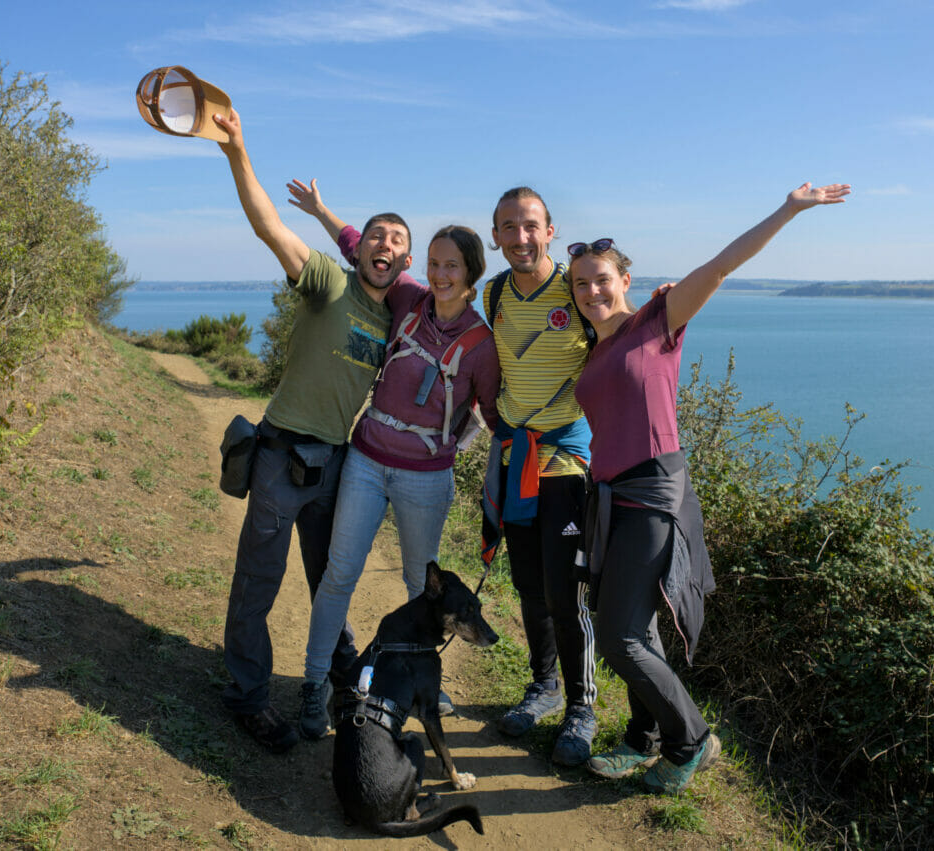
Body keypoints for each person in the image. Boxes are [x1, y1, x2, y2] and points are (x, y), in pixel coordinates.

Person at [570, 181, 850, 793]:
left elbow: (722, 265)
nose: (592, 291)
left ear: (625, 280)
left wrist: (789, 210)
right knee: (633, 630)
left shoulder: (658, 321)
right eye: (581, 284)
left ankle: (693, 739)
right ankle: (643, 740)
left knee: (619, 636)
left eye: (601, 279)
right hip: (610, 497)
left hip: (652, 492)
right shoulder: (590, 352)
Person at [212, 109, 420, 752]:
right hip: (279, 457)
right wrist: (237, 150)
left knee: (332, 579)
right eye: (376, 237)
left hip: (336, 464)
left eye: (396, 242)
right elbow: (268, 224)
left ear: (404, 260)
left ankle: (339, 678)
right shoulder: (327, 282)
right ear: (360, 250)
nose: (384, 247)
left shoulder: (398, 316)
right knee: (258, 583)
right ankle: (247, 697)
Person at [287, 180, 501, 739]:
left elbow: (498, 412)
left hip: (426, 479)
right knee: (339, 574)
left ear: (472, 275)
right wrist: (321, 211)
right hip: (366, 458)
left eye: (451, 266)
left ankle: (419, 682)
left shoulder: (481, 345)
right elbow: (361, 246)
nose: (439, 274)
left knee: (418, 585)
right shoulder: (410, 299)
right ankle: (314, 683)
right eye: (433, 263)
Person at [479, 187, 598, 766]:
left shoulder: (575, 288)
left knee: (565, 587)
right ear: (496, 234)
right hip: (514, 457)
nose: (520, 238)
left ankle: (582, 706)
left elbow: (621, 329)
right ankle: (544, 686)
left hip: (567, 459)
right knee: (528, 583)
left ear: (550, 230)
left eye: (530, 226)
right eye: (509, 227)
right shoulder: (494, 292)